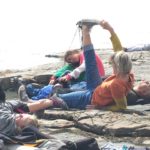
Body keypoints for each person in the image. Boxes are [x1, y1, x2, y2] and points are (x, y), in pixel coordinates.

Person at [51, 20, 134, 111]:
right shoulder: (128, 73)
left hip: (91, 99)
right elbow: (118, 49)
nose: (111, 66)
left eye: (112, 65)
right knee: (90, 61)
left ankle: (36, 102)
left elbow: (122, 107)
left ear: (118, 67)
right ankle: (86, 30)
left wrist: (101, 108)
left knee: (58, 98)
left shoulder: (117, 84)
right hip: (98, 86)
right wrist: (110, 30)